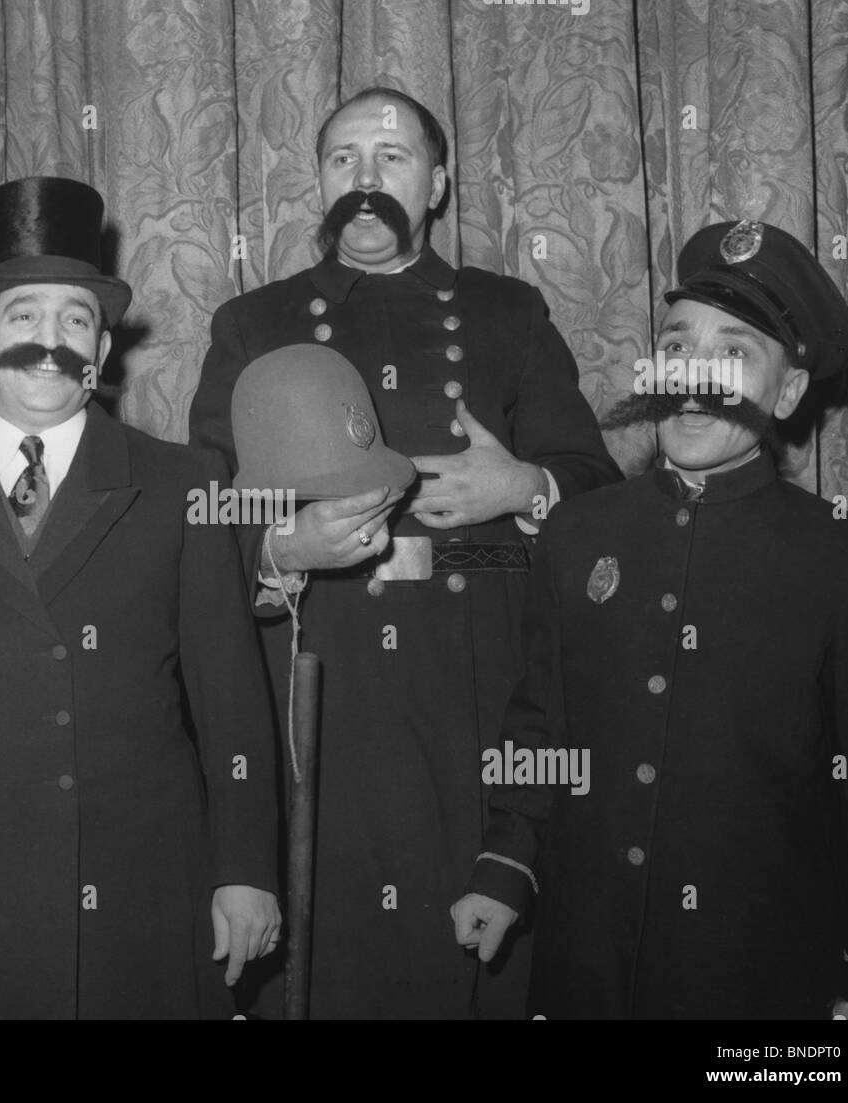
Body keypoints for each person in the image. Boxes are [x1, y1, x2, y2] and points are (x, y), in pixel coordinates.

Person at [189, 87, 620, 1018]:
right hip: (317, 670)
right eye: (344, 159)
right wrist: (285, 541)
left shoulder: (506, 312)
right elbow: (203, 507)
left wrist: (524, 489)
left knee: (474, 944)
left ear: (437, 183)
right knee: (329, 953)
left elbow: (599, 486)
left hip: (477, 674)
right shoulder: (251, 324)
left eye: (392, 159)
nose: (366, 179)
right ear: (318, 180)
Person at [0, 176, 281, 1019]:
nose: (51, 341)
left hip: (143, 879)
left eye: (76, 320)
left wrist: (247, 870)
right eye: (24, 316)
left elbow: (232, 701)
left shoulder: (182, 483)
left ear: (102, 353)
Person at [454, 219, 848, 1019]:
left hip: (756, 976)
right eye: (679, 344)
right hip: (584, 958)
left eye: (734, 353)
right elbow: (540, 727)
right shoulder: (578, 531)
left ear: (787, 393)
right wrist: (506, 865)